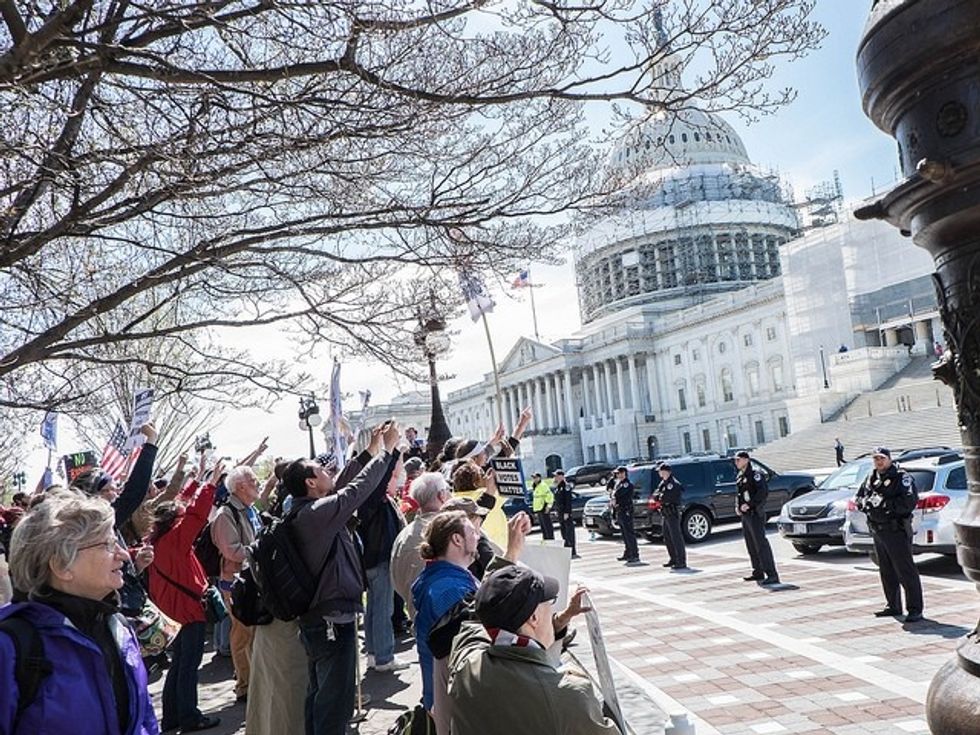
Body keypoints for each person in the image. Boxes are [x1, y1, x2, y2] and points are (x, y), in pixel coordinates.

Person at [0, 491, 158, 734]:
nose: (124, 555)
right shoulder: (11, 647)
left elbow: (144, 716)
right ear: (62, 565)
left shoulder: (118, 626)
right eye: (107, 544)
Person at [283, 421, 399, 735]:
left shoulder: (306, 510)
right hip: (331, 620)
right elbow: (355, 491)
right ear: (310, 482)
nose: (326, 471)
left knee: (320, 693)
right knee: (334, 701)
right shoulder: (317, 514)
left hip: (320, 618)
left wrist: (370, 451)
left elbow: (345, 484)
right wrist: (387, 453)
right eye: (319, 470)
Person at [448, 564, 619, 735]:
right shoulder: (567, 694)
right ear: (533, 617)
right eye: (550, 602)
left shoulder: (467, 661)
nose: (553, 608)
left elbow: (479, 618)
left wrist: (560, 621)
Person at [147, 462, 226, 733]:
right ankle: (190, 717)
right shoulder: (176, 539)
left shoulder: (157, 539)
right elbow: (195, 515)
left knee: (179, 665)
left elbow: (182, 506)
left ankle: (171, 718)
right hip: (187, 612)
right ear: (175, 521)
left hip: (170, 612)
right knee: (188, 666)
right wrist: (211, 484)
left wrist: (196, 482)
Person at [411, 510, 481, 735]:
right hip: (455, 701)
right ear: (457, 539)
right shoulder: (449, 591)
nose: (478, 535)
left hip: (445, 696)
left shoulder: (444, 579)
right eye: (472, 530)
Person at [854, 447, 924, 622]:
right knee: (886, 570)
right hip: (878, 530)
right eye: (876, 459)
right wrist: (866, 503)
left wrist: (884, 505)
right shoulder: (871, 477)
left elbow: (909, 502)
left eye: (882, 458)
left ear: (890, 459)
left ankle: (915, 608)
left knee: (905, 570)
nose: (879, 462)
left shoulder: (902, 477)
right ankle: (893, 605)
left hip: (896, 530)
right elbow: (859, 497)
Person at [211, 464, 262, 703]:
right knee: (242, 634)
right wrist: (261, 550)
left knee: (253, 633)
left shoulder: (250, 510)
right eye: (253, 480)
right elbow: (231, 551)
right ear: (240, 487)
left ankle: (254, 680)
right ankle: (245, 686)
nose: (258, 483)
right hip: (235, 584)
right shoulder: (225, 514)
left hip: (253, 579)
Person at [358, 450, 409, 672]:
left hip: (374, 559)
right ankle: (384, 657)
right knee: (382, 608)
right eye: (393, 478)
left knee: (374, 608)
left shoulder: (376, 500)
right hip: (379, 559)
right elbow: (386, 474)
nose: (397, 481)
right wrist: (393, 453)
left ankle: (373, 652)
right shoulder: (374, 499)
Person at [390, 472, 453, 620]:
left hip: (417, 615)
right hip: (442, 620)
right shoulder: (448, 530)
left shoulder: (404, 535)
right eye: (448, 490)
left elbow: (395, 576)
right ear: (441, 495)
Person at [734, 451, 779, 586]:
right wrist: (738, 506)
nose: (736, 463)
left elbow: (762, 492)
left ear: (746, 460)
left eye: (738, 460)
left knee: (761, 544)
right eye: (735, 460)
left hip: (754, 514)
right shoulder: (740, 475)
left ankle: (772, 574)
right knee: (751, 544)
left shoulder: (756, 474)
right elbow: (739, 494)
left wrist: (750, 505)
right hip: (745, 515)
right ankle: (757, 571)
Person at [654, 463, 687, 569]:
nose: (659, 473)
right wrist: (658, 497)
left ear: (666, 471)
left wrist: (659, 498)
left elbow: (666, 498)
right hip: (665, 512)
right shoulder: (663, 483)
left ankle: (681, 561)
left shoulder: (673, 484)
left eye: (660, 471)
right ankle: (673, 559)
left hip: (672, 512)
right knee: (667, 537)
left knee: (676, 537)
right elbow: (656, 495)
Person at [610, 466, 640, 564]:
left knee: (629, 533)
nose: (618, 475)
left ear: (624, 473)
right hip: (620, 511)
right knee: (624, 534)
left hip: (626, 511)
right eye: (617, 474)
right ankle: (628, 552)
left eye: (620, 473)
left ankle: (634, 554)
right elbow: (610, 491)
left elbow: (618, 494)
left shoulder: (627, 484)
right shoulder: (618, 484)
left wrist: (614, 495)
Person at [552, 469, 578, 558]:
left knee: (569, 532)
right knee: (563, 532)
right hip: (560, 513)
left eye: (557, 476)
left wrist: (567, 512)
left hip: (565, 513)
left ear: (562, 476)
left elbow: (568, 501)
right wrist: (556, 510)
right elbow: (557, 501)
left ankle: (572, 551)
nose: (555, 477)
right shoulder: (557, 487)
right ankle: (566, 549)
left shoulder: (566, 487)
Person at [530, 472, 555, 540]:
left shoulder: (543, 485)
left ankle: (550, 539)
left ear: (539, 478)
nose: (534, 479)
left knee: (547, 525)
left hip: (544, 507)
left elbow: (550, 496)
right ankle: (545, 539)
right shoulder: (535, 486)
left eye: (535, 477)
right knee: (543, 526)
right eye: (533, 478)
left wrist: (548, 506)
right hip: (538, 508)